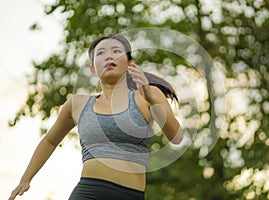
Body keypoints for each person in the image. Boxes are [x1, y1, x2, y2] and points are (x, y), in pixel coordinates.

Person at [9, 34, 183, 200]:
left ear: (130, 64)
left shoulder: (147, 95)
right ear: (93, 69)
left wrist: (153, 101)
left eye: (116, 51)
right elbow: (50, 141)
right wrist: (26, 178)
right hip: (89, 192)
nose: (109, 56)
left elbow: (176, 137)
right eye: (101, 53)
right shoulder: (78, 104)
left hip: (132, 195)